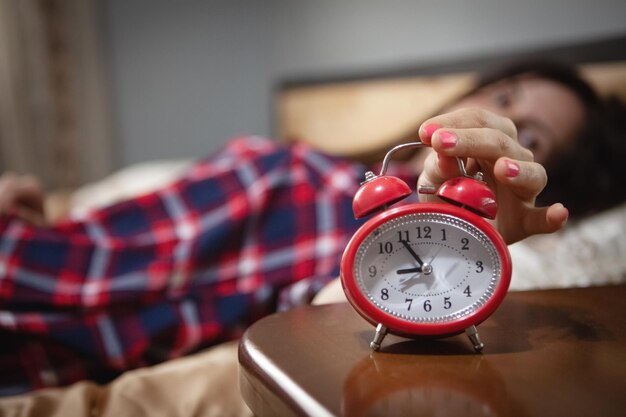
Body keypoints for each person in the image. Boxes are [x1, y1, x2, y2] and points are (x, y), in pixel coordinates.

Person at [0, 60, 622, 397]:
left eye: (531, 134)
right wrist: (40, 213)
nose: (499, 113)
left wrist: (444, 217)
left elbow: (353, 315)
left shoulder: (350, 244)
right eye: (508, 92)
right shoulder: (330, 169)